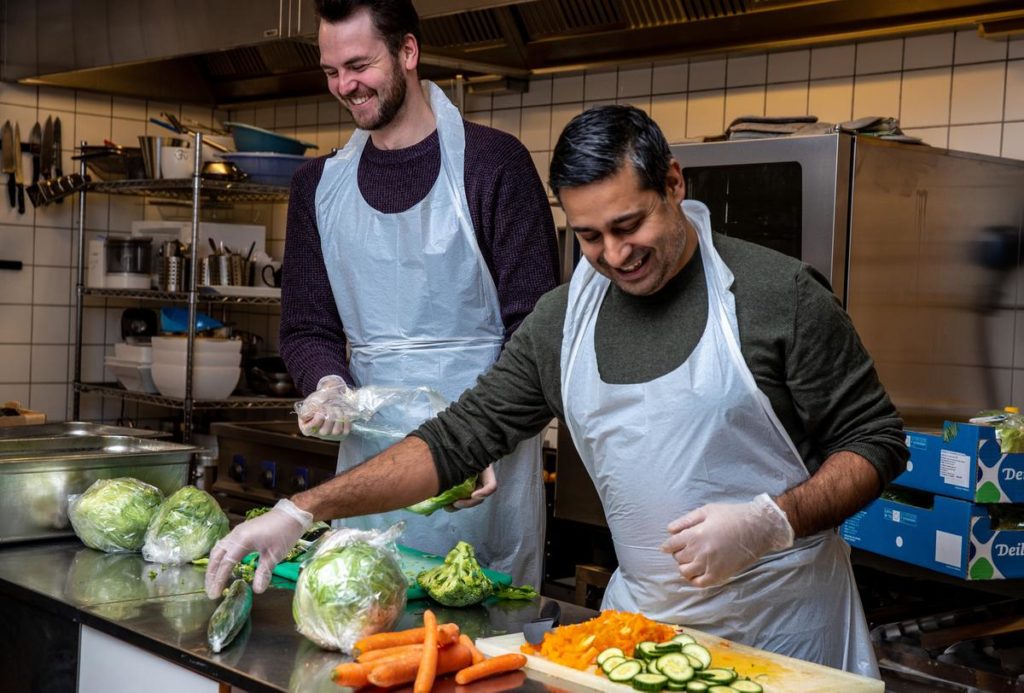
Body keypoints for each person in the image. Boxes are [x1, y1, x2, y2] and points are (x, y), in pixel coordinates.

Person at [208, 105, 906, 678]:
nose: (614, 255)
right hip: (639, 637)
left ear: (672, 182)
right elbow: (455, 442)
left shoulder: (778, 296)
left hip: (787, 640)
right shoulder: (564, 318)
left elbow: (877, 442)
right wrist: (300, 511)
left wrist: (770, 521)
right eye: (590, 236)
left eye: (629, 225)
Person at [274, 0, 559, 588]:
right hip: (368, 468)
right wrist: (327, 384)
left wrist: (476, 440)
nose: (345, 86)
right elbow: (308, 327)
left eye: (358, 65)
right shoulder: (316, 187)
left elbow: (536, 331)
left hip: (484, 467)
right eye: (331, 72)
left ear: (408, 52)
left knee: (478, 639)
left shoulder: (494, 164)